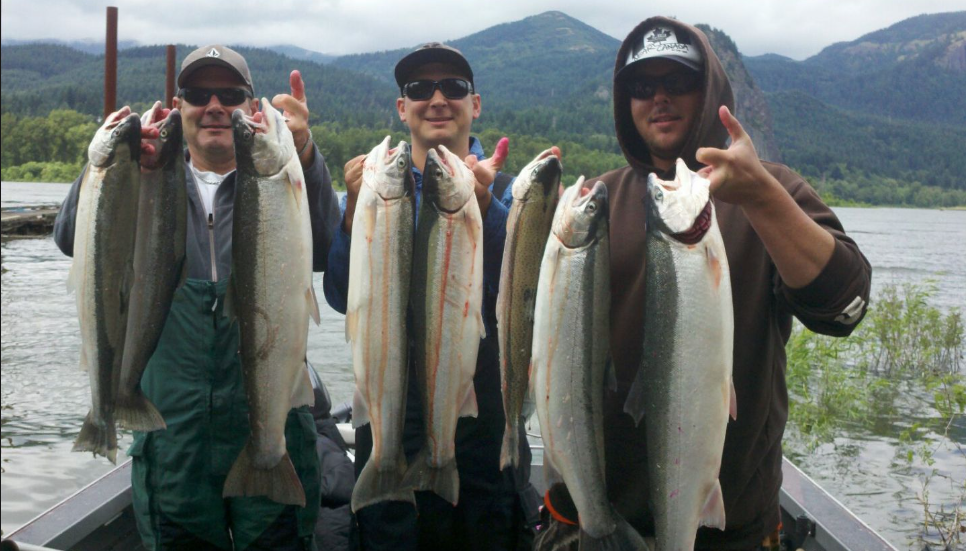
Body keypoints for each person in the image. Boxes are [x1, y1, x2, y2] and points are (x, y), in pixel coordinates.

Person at [538, 18, 873, 550]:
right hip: (595, 524)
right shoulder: (593, 205)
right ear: (626, 101)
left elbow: (844, 310)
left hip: (731, 529)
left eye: (680, 80)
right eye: (642, 86)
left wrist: (762, 197)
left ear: (711, 88)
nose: (660, 97)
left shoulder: (770, 190)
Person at [54, 44, 342, 551]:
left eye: (229, 94)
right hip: (173, 434)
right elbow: (68, 237)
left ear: (253, 109)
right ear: (178, 105)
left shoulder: (284, 179)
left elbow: (325, 245)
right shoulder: (147, 175)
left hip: (270, 416)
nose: (213, 105)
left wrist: (308, 155)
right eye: (197, 94)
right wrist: (110, 168)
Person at [322, 43, 541, 550]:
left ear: (475, 104)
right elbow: (337, 295)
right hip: (391, 431)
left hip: (484, 442)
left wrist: (486, 211)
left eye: (454, 88)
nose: (437, 98)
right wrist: (353, 213)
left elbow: (527, 298)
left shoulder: (512, 194)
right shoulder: (373, 197)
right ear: (403, 108)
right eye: (420, 89)